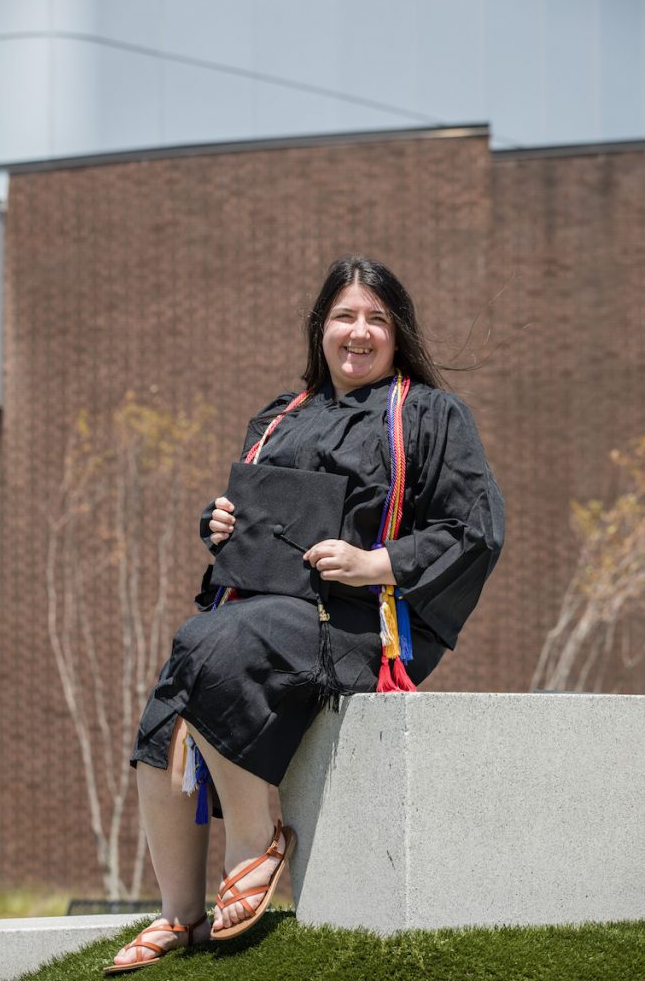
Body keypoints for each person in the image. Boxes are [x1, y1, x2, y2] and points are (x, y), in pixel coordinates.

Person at [105, 255, 505, 974]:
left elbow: (474, 529)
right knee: (166, 707)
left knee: (210, 640)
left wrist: (372, 563)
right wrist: (218, 524)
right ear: (320, 328)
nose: (359, 331)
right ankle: (178, 914)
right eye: (344, 316)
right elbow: (256, 516)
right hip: (259, 611)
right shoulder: (279, 415)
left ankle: (257, 844)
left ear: (398, 332)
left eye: (376, 319)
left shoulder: (427, 414)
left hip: (367, 621)